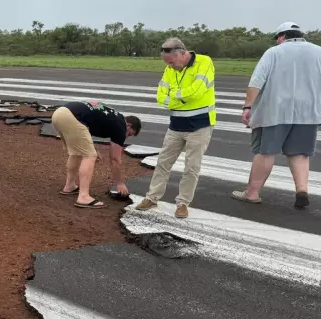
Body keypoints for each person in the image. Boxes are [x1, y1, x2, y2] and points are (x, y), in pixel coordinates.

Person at [233, 21, 321, 209]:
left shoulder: (274, 52)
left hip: (275, 111)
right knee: (300, 153)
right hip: (307, 113)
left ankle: (252, 193)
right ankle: (301, 190)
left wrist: (247, 106)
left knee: (265, 151)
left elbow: (256, 82)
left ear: (282, 36)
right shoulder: (318, 52)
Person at [135, 38, 216, 219]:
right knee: (163, 162)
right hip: (176, 126)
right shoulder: (169, 69)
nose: (169, 66)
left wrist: (174, 97)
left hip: (200, 126)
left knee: (191, 167)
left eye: (171, 62)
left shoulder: (204, 62)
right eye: (167, 63)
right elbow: (160, 97)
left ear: (182, 53)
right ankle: (152, 197)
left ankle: (183, 203)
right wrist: (179, 99)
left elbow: (197, 92)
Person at [52, 100, 142, 209]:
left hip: (59, 114)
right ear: (128, 125)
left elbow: (84, 129)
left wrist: (93, 148)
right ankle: (83, 197)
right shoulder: (121, 125)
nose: (126, 137)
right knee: (90, 156)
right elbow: (115, 159)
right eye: (129, 134)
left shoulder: (113, 116)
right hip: (71, 117)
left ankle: (69, 186)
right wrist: (119, 183)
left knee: (77, 152)